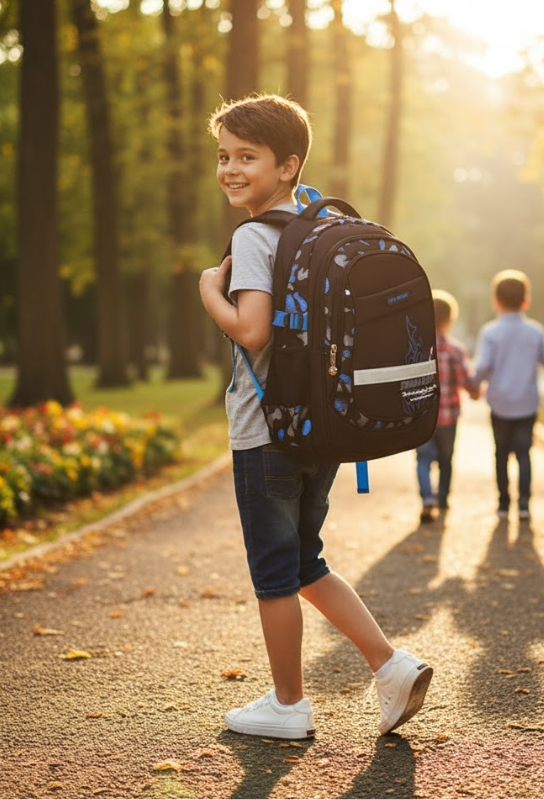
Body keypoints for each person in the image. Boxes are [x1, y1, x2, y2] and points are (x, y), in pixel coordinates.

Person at [198, 94, 433, 741]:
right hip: (320, 427)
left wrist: (208, 292)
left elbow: (250, 331)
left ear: (287, 164)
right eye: (224, 156)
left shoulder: (254, 237)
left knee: (275, 574)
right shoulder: (310, 227)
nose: (231, 168)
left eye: (248, 156)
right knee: (306, 562)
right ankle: (390, 664)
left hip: (265, 432)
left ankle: (288, 703)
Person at [472, 270, 544, 520]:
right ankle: (524, 505)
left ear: (495, 301)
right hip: (526, 403)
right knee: (524, 454)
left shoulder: (490, 333)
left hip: (500, 402)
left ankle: (503, 504)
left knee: (501, 454)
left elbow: (482, 367)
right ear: (526, 300)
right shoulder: (536, 331)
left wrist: (473, 385)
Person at [415, 290, 477, 523]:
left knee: (422, 460)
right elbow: (466, 381)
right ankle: (443, 500)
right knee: (446, 460)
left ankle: (426, 499)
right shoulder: (455, 350)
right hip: (448, 418)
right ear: (450, 320)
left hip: (421, 418)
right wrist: (475, 391)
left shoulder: (417, 350)